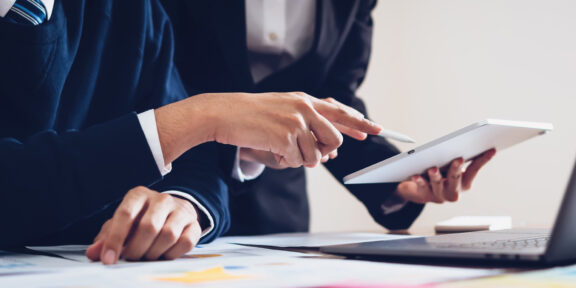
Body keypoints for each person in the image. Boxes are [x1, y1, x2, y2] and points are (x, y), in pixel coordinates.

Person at [0, 0, 378, 264]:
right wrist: (202, 117)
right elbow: (184, 123)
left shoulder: (138, 11)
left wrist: (183, 203)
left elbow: (192, 151)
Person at [159, 0, 497, 235]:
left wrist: (395, 181)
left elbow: (334, 103)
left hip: (279, 211)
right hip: (164, 192)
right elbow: (152, 78)